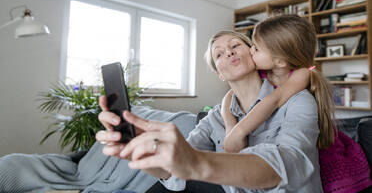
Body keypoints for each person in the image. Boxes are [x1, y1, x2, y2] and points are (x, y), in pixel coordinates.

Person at [96, 16, 334, 192]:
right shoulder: (216, 119)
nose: (228, 53)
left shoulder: (298, 100)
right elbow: (171, 172)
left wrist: (198, 163)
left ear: (254, 53)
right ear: (219, 74)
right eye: (219, 54)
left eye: (235, 46)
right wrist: (146, 153)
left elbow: (290, 163)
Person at [221, 14, 334, 153]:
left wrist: (238, 132)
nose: (251, 50)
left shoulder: (303, 74)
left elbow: (275, 100)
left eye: (256, 48)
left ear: (280, 62)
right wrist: (229, 128)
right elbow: (231, 94)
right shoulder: (263, 70)